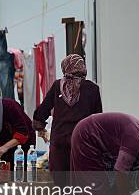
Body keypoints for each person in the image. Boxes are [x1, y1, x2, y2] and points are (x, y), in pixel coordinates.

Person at [71, 112, 139, 195]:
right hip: (87, 136)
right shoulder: (134, 140)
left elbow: (136, 166)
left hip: (96, 140)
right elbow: (120, 172)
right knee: (95, 187)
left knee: (106, 186)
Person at [33, 54, 102, 185]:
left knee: (62, 186)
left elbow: (42, 111)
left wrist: (40, 126)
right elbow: (97, 120)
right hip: (82, 143)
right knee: (81, 185)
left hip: (60, 143)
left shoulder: (58, 85)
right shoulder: (93, 89)